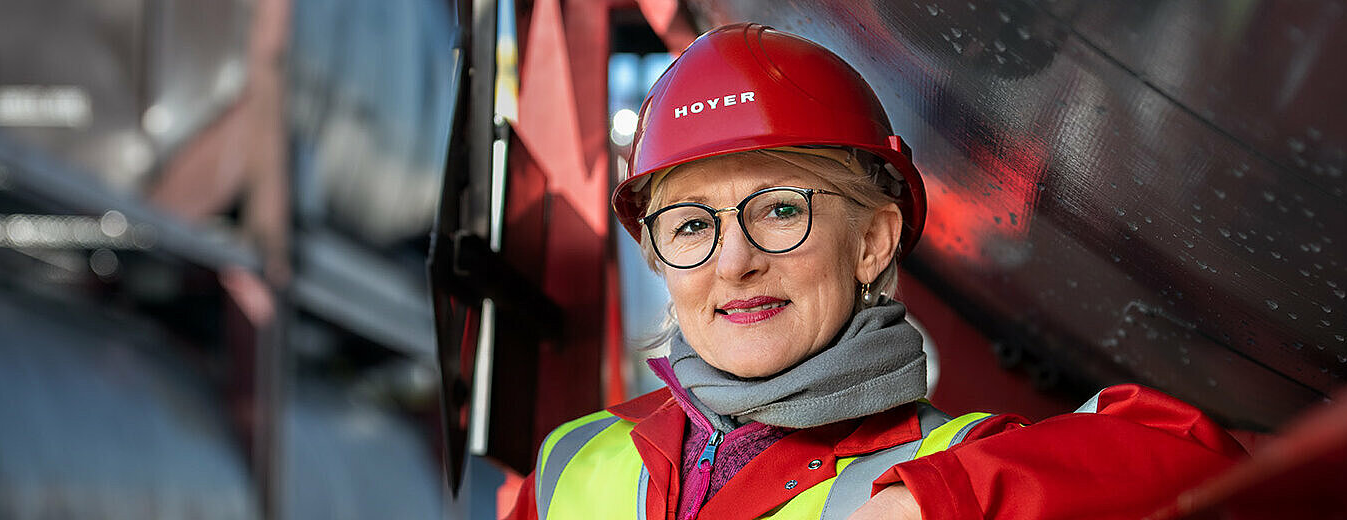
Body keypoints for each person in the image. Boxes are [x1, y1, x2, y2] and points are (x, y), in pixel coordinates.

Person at [508, 23, 1245, 520]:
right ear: (658, 258)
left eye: (780, 211)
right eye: (693, 226)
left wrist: (942, 501)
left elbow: (1207, 466)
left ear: (872, 241)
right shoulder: (570, 465)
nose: (734, 262)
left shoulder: (959, 464)